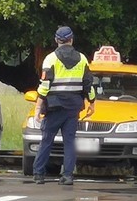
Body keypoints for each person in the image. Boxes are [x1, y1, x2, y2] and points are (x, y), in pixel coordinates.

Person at [33, 26, 96, 185]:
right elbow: (88, 84)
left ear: (56, 40)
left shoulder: (50, 59)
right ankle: (67, 175)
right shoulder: (82, 59)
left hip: (54, 106)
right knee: (69, 141)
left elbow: (44, 86)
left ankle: (39, 174)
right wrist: (92, 103)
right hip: (73, 107)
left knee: (47, 139)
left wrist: (37, 108)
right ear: (72, 39)